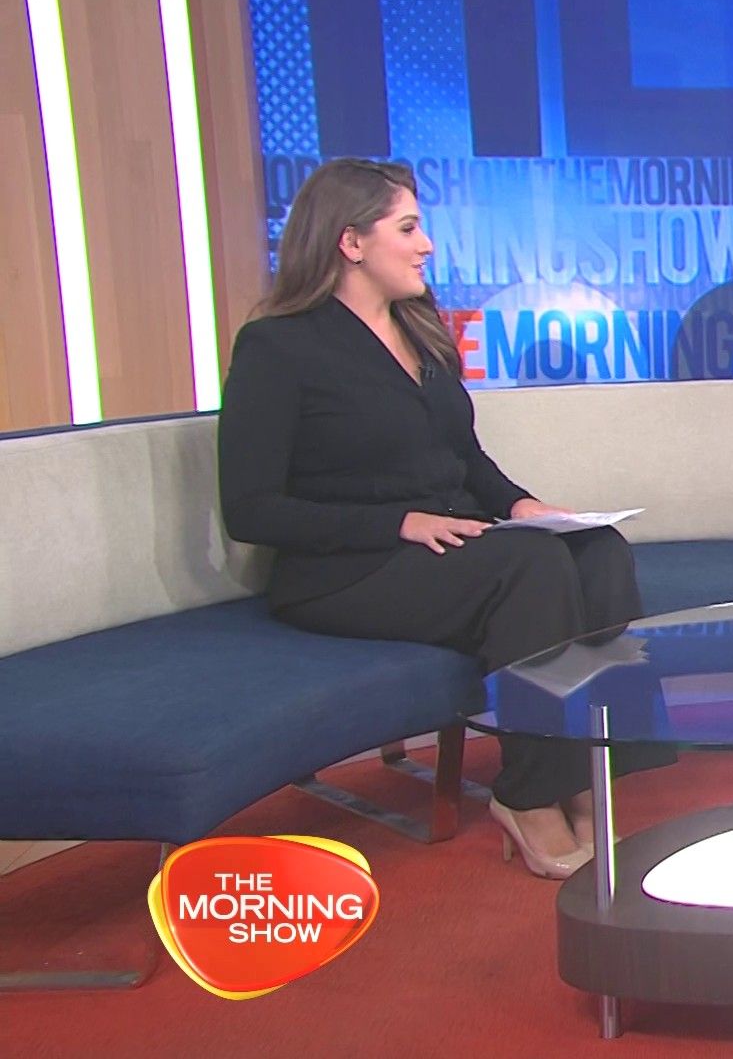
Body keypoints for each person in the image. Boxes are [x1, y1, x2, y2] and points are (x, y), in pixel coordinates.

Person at [218, 158, 667, 879]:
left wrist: (520, 504)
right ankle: (527, 794)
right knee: (528, 565)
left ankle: (591, 768)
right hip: (348, 569)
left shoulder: (421, 330)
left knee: (597, 549)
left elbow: (463, 457)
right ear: (350, 242)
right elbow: (251, 508)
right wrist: (398, 522)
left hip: (444, 547)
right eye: (407, 228)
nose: (426, 244)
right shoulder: (279, 347)